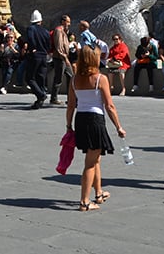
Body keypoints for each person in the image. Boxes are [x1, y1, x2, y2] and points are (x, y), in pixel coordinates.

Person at [65, 44, 125, 211]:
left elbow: (70, 105)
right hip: (95, 120)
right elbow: (109, 106)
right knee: (90, 163)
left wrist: (69, 126)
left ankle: (98, 193)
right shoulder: (100, 79)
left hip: (80, 119)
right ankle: (84, 201)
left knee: (95, 157)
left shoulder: (74, 80)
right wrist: (119, 126)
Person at [24, 10, 51, 108]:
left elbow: (30, 39)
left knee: (30, 78)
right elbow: (49, 44)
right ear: (41, 20)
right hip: (44, 56)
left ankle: (40, 95)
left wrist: (33, 48)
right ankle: (40, 99)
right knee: (41, 77)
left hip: (35, 56)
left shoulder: (31, 29)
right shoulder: (46, 31)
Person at [50, 15, 72, 104]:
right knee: (58, 78)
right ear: (63, 21)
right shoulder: (58, 31)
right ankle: (54, 98)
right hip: (60, 58)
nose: (69, 24)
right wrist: (65, 58)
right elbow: (59, 46)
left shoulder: (64, 31)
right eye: (68, 22)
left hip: (64, 58)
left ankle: (70, 97)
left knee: (71, 76)